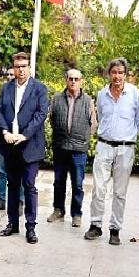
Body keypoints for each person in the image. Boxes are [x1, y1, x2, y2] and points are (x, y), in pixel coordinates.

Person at [85, 58, 139, 245]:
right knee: (98, 188)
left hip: (125, 149)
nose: (117, 76)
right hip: (104, 146)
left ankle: (115, 229)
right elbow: (101, 117)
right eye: (114, 72)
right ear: (109, 74)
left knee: (120, 192)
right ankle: (95, 225)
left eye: (120, 72)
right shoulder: (102, 94)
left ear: (125, 74)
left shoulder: (134, 94)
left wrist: (127, 136)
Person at [0, 52, 49, 244]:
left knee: (29, 185)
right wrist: (4, 132)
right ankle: (12, 223)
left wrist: (24, 134)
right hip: (10, 144)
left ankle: (31, 227)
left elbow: (41, 114)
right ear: (13, 67)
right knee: (12, 185)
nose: (20, 70)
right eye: (17, 66)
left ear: (29, 68)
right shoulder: (6, 88)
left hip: (30, 146)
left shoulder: (39, 89)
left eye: (24, 66)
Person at [46, 69, 97, 228]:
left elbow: (93, 124)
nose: (73, 82)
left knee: (78, 184)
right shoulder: (56, 98)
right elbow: (52, 119)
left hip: (78, 149)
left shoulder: (88, 101)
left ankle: (76, 214)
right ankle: (58, 210)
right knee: (59, 181)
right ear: (66, 80)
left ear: (81, 81)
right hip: (60, 146)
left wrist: (81, 138)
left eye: (76, 79)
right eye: (70, 79)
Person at [0, 67, 19, 211]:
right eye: (7, 74)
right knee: (1, 170)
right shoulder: (3, 90)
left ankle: (19, 201)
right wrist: (4, 131)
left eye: (12, 75)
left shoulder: (23, 93)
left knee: (18, 171)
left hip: (19, 139)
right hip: (3, 138)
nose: (9, 77)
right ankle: (1, 199)